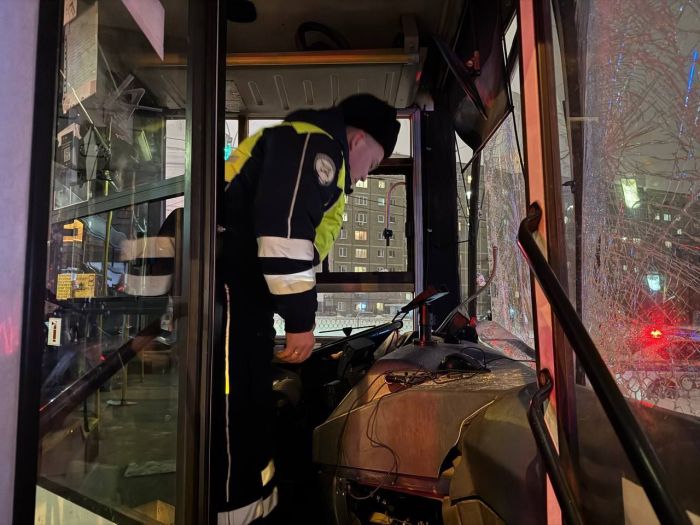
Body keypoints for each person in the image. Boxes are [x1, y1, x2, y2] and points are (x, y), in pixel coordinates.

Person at [214, 94, 400, 524]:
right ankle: (231, 511)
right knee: (235, 408)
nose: (365, 175)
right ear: (357, 141)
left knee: (249, 405)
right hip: (233, 292)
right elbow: (284, 238)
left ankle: (248, 507)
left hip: (242, 294)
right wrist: (301, 322)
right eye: (372, 164)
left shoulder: (303, 144)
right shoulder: (317, 149)